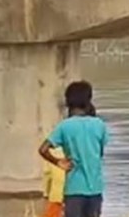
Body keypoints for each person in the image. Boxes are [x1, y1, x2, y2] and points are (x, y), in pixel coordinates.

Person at [39, 81, 109, 217]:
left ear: (68, 102)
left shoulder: (64, 126)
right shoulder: (99, 125)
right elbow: (100, 153)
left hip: (73, 189)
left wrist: (58, 162)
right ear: (88, 100)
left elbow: (43, 149)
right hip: (95, 188)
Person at [43, 145, 67, 217]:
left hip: (56, 195)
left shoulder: (50, 153)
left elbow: (47, 174)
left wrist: (46, 193)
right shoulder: (76, 151)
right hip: (74, 195)